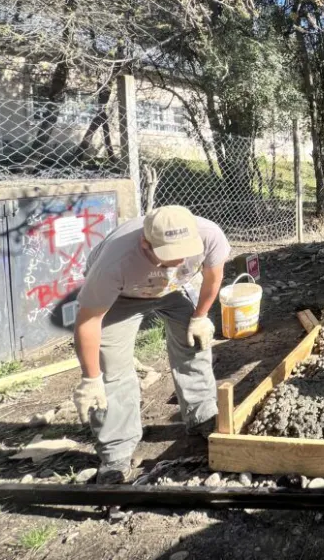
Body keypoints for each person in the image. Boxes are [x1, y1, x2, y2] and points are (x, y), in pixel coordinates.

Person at [72, 205, 231, 483]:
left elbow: (213, 277)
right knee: (111, 368)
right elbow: (88, 321)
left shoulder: (209, 235)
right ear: (145, 244)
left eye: (185, 251)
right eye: (169, 254)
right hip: (123, 297)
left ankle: (202, 415)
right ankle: (116, 451)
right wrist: (91, 378)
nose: (180, 259)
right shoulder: (114, 263)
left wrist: (200, 316)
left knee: (193, 343)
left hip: (174, 289)